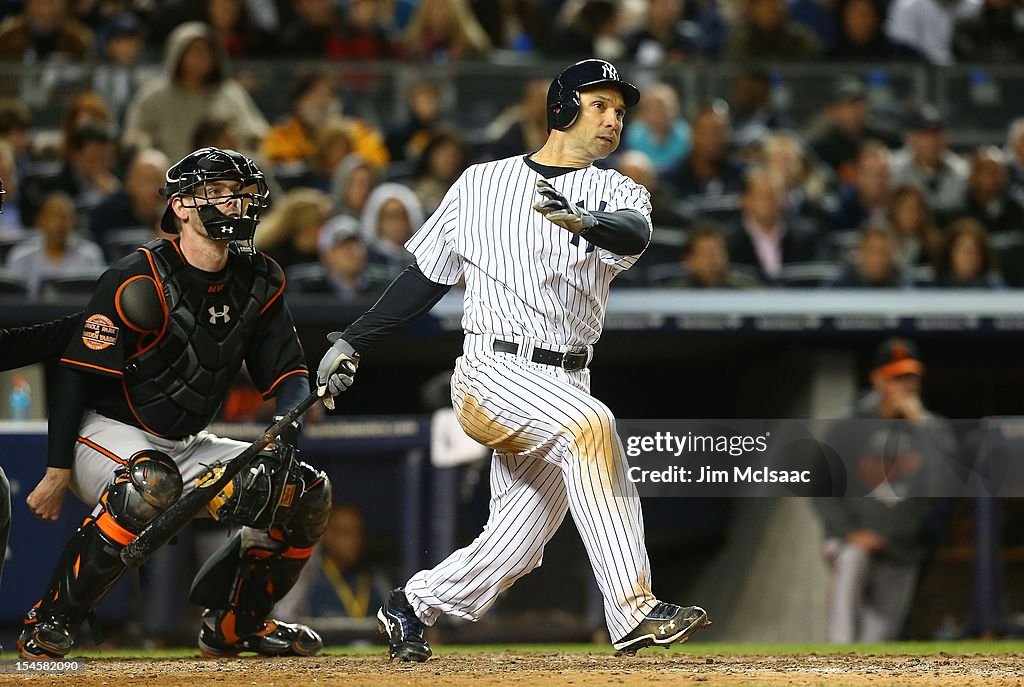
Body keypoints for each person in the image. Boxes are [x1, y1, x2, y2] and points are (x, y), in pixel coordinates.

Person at [316, 59, 710, 662]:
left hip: (566, 376)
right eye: (598, 104)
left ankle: (410, 604)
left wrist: (585, 221)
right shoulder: (480, 183)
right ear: (561, 107)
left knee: (519, 546)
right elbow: (424, 278)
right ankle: (632, 612)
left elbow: (632, 232)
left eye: (619, 111)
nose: (611, 119)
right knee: (592, 427)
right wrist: (352, 341)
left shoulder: (617, 189)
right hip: (493, 372)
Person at [16, 147, 332, 660]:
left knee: (305, 491)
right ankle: (48, 624)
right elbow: (76, 374)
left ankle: (236, 625)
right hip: (101, 433)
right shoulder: (136, 277)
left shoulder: (260, 278)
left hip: (185, 442)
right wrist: (55, 472)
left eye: (243, 194)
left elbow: (290, 373)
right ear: (181, 205)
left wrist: (282, 440)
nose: (236, 204)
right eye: (221, 192)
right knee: (151, 484)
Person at [814, 338, 956, 642]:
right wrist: (849, 531)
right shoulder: (847, 427)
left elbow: (940, 485)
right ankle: (837, 650)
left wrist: (921, 426)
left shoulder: (934, 430)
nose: (905, 385)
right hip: (852, 541)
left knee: (880, 638)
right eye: (896, 377)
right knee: (853, 560)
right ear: (877, 379)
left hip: (903, 546)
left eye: (911, 377)